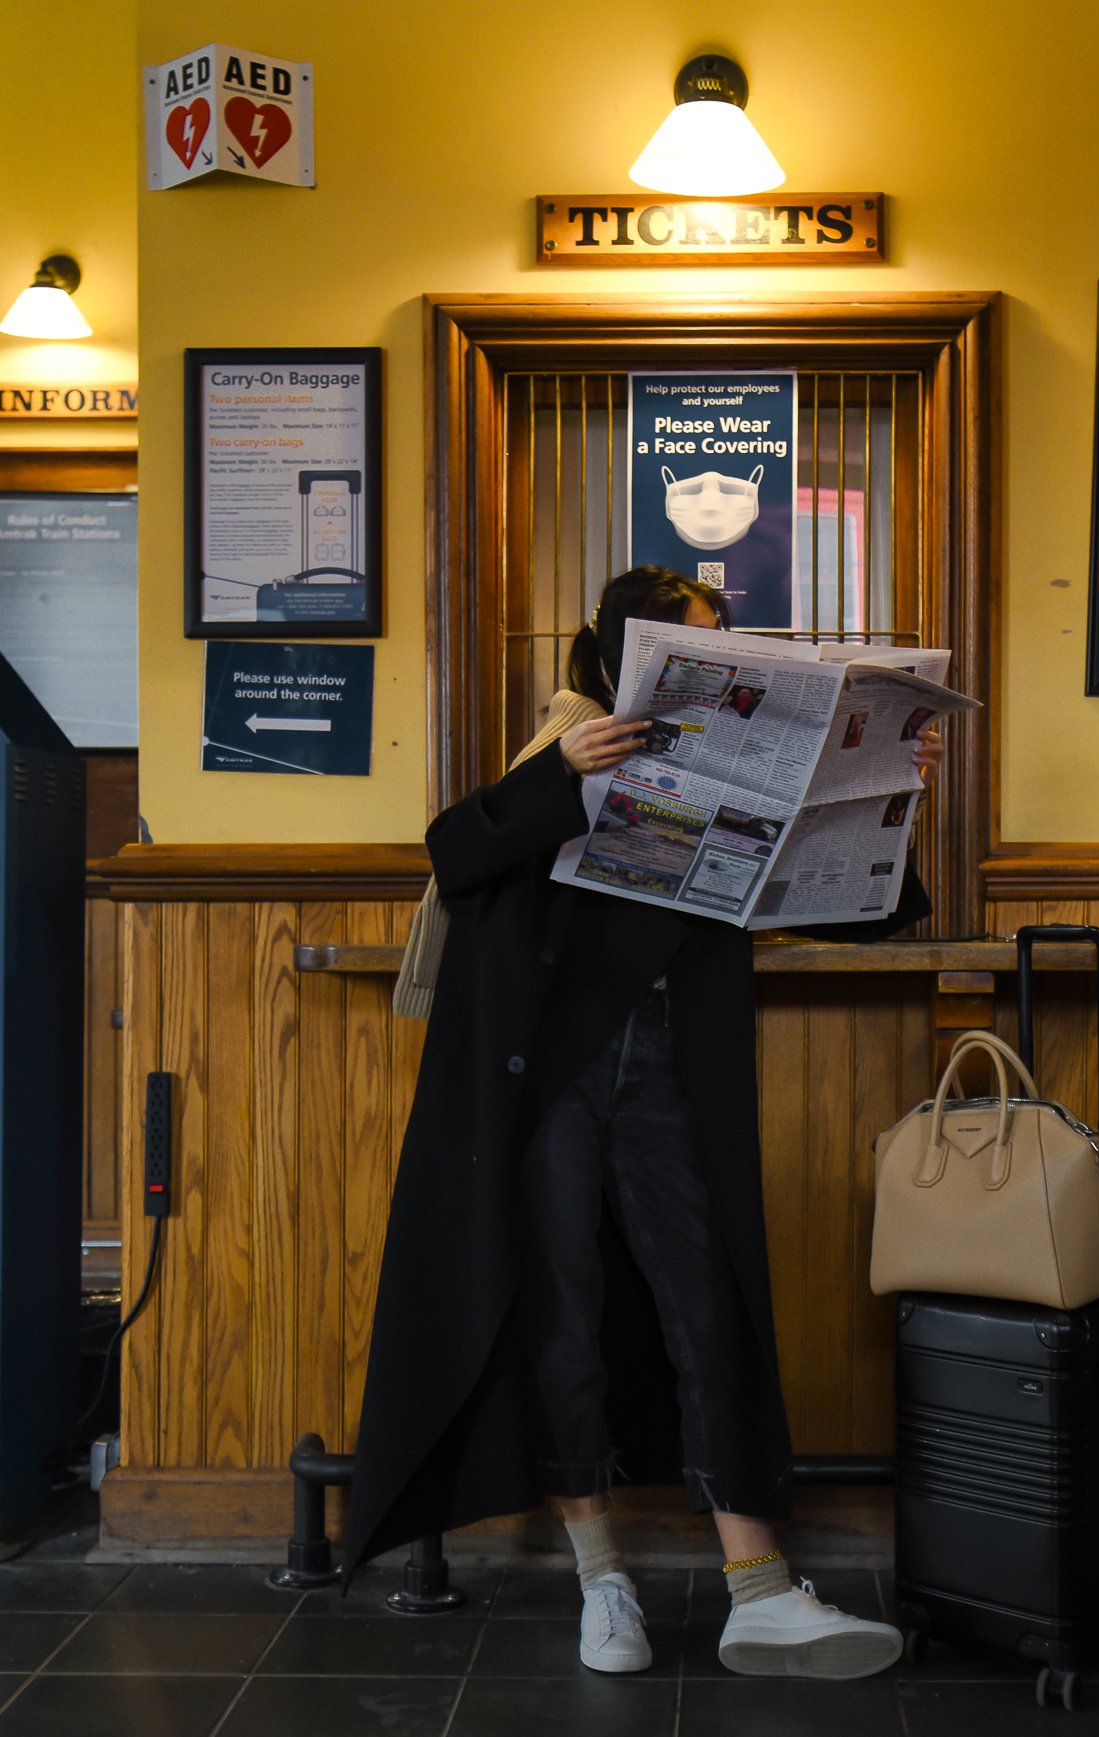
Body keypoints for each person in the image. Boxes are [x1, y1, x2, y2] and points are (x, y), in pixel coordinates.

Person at [343, 565, 945, 1679]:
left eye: (726, 650)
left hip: (674, 1062)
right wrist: (565, 779)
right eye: (691, 651)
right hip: (553, 1074)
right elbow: (455, 853)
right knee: (562, 1321)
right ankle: (600, 1581)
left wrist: (885, 792)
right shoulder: (567, 737)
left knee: (710, 1305)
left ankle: (760, 1591)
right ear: (619, 655)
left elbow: (868, 917)